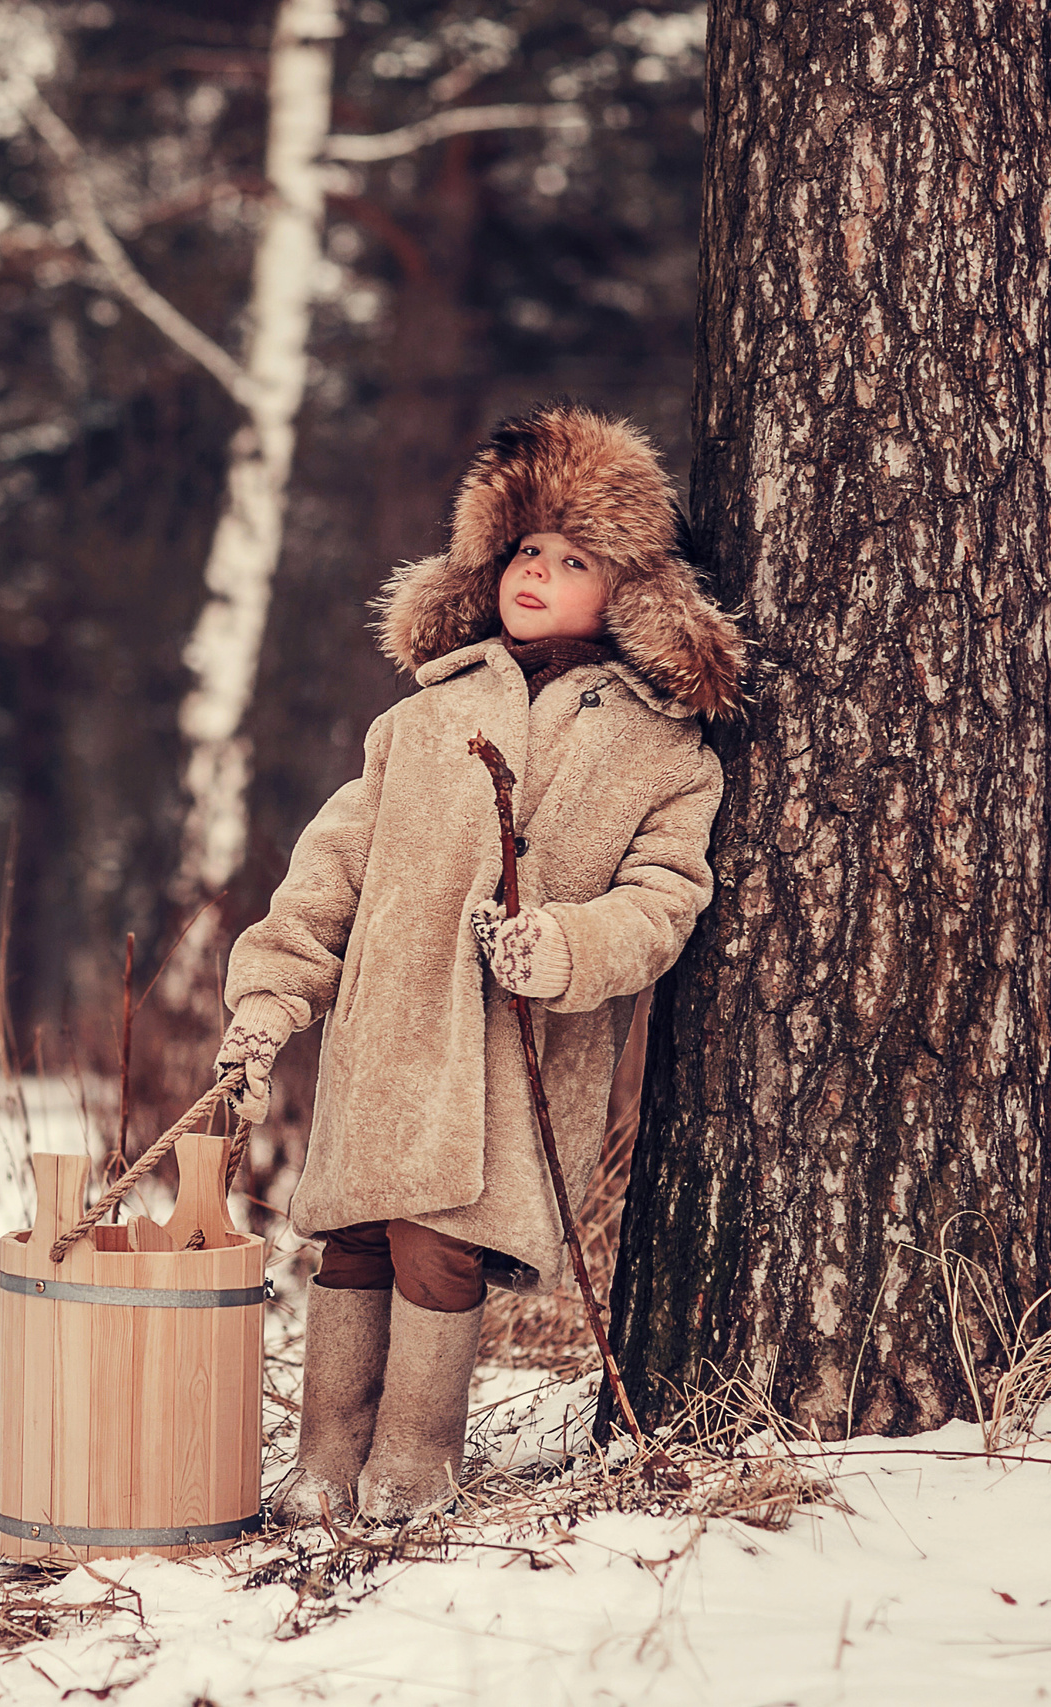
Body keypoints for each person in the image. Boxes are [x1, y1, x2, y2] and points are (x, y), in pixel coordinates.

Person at [215, 404, 746, 1524]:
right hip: (386, 1038)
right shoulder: (424, 716)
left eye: (573, 559)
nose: (537, 574)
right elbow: (332, 870)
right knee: (353, 1244)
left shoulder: (661, 742)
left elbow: (665, 900)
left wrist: (563, 947)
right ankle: (323, 1467)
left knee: (438, 1252)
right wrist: (270, 997)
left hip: (514, 1054)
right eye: (523, 552)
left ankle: (413, 1469)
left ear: (634, 591)